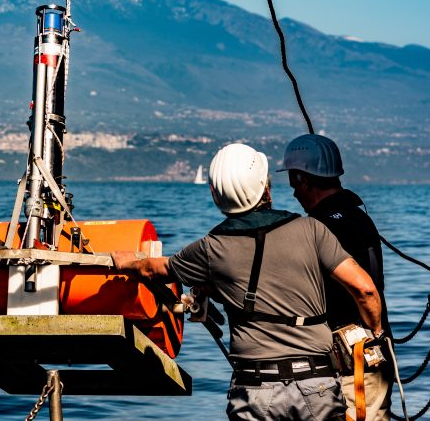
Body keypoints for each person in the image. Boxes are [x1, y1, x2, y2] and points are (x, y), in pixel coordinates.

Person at [114, 143, 383, 421]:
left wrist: (125, 262)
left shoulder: (209, 249)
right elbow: (364, 289)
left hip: (254, 386)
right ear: (265, 187)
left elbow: (154, 269)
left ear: (214, 194)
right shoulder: (312, 229)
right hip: (316, 383)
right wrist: (375, 333)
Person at [278, 133, 392, 421]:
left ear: (304, 178)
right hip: (367, 357)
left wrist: (373, 334)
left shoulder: (318, 228)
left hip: (350, 361)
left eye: (293, 180)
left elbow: (364, 290)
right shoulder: (359, 217)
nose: (293, 191)